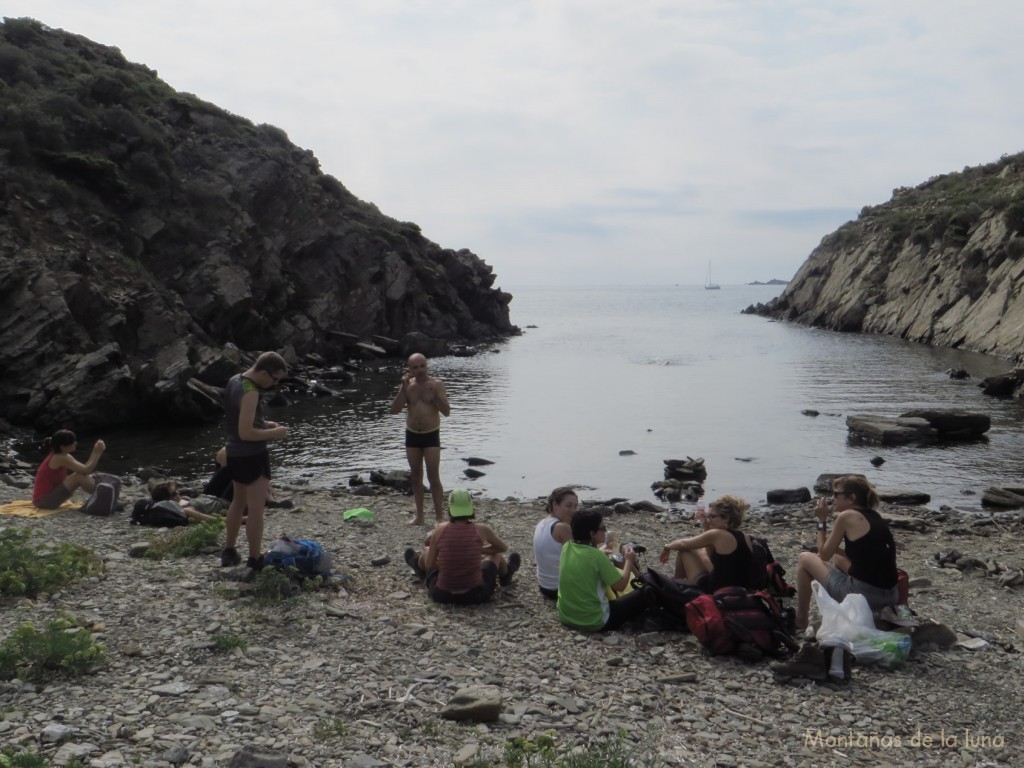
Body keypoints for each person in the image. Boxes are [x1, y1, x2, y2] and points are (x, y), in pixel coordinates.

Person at [794, 475, 900, 631]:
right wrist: (833, 546)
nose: (832, 498)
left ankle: (801, 619)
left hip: (867, 596)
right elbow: (862, 555)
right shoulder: (873, 516)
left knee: (804, 559)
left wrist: (821, 520)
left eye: (836, 494)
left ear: (851, 498)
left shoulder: (846, 517)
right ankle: (849, 609)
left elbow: (823, 554)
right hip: (891, 595)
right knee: (838, 559)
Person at [220, 351, 290, 569]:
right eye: (274, 378)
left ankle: (229, 550)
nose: (275, 384)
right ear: (263, 371)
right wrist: (275, 434)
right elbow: (246, 432)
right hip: (252, 454)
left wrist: (265, 423)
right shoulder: (251, 392)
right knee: (256, 508)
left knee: (237, 502)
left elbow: (241, 419)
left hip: (234, 453)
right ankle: (255, 558)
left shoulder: (235, 380)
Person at [404, 489, 520, 605]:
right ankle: (506, 575)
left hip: (442, 595)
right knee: (495, 555)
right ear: (470, 508)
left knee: (427, 551)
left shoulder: (439, 529)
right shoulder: (481, 529)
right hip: (476, 594)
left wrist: (449, 564)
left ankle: (419, 569)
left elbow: (430, 564)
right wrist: (480, 550)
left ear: (450, 508)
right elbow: (502, 548)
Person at [557, 509, 648, 632]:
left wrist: (600, 553)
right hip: (595, 621)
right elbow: (620, 585)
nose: (606, 531)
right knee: (647, 592)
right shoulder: (596, 556)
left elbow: (586, 562)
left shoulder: (567, 546)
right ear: (591, 533)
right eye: (603, 528)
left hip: (566, 616)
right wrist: (629, 561)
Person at [390, 353, 450, 525]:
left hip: (431, 434)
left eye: (422, 366)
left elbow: (446, 411)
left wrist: (435, 395)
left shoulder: (437, 384)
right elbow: (394, 410)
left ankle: (439, 517)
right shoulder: (408, 385)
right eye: (415, 367)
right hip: (412, 435)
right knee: (416, 477)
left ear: (426, 365)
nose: (419, 370)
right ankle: (420, 516)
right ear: (410, 369)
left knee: (433, 476)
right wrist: (402, 387)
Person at [659, 495, 756, 592]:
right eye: (708, 516)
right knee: (695, 551)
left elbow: (683, 544)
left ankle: (675, 588)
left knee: (684, 550)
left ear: (726, 518)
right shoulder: (745, 537)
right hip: (741, 592)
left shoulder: (718, 534)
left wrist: (667, 547)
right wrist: (706, 524)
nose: (709, 520)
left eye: (712, 516)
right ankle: (677, 584)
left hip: (716, 592)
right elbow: (710, 553)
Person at [32, 430, 106, 509]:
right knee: (79, 476)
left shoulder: (63, 455)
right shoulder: (60, 458)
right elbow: (87, 470)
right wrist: (97, 453)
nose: (75, 443)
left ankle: (106, 497)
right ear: (63, 447)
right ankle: (106, 499)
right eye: (72, 442)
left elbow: (84, 469)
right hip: (43, 502)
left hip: (48, 498)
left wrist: (95, 451)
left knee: (80, 474)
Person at [533, 486, 577, 600]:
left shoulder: (542, 523)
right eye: (568, 506)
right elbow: (578, 561)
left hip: (544, 586)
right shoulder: (562, 528)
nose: (573, 511)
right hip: (559, 589)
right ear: (555, 504)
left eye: (575, 507)